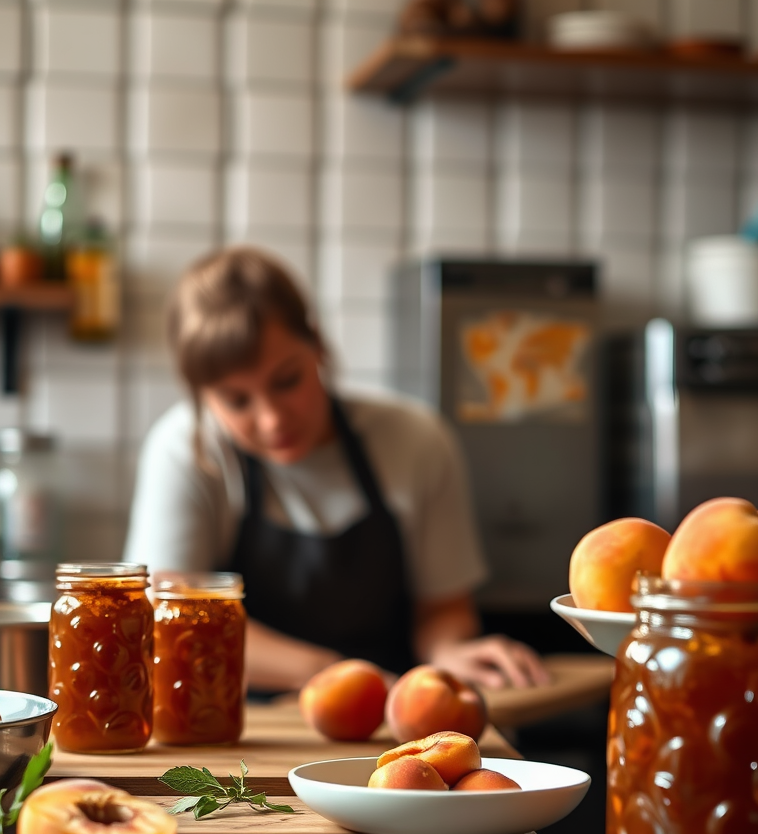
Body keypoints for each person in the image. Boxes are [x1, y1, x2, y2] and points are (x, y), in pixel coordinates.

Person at [124, 247, 549, 693]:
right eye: (237, 401)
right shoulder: (187, 450)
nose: (271, 420)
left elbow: (442, 610)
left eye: (287, 381)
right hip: (235, 729)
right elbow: (167, 617)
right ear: (202, 396)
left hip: (386, 728)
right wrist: (331, 673)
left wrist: (450, 656)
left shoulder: (416, 441)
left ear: (318, 345)